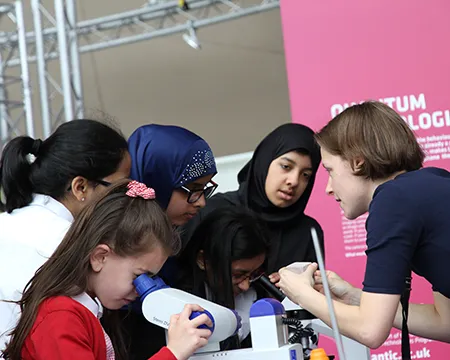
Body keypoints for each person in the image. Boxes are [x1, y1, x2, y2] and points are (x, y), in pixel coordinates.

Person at [277, 100, 450, 350]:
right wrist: (354, 297)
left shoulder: (393, 200)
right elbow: (445, 322)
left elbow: (370, 330)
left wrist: (301, 294)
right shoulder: (431, 183)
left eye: (330, 170)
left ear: (357, 162)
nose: (327, 188)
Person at [1, 179, 212, 360]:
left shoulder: (82, 310)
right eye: (139, 276)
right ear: (100, 257)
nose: (141, 289)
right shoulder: (60, 317)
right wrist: (172, 353)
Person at [0, 119, 131, 349]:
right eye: (119, 189)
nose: (125, 199)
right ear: (80, 187)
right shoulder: (73, 247)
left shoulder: (5, 223)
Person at [122, 124, 218, 359]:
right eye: (193, 189)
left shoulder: (178, 240)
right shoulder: (116, 245)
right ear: (159, 181)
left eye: (205, 189)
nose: (201, 202)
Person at [182, 123, 323, 279]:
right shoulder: (213, 211)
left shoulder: (309, 233)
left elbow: (313, 297)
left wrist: (296, 289)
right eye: (286, 166)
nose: (294, 181)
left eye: (306, 175)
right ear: (264, 161)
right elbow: (180, 276)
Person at [175, 206, 270, 350]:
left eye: (254, 274)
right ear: (203, 260)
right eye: (237, 275)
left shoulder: (258, 295)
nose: (245, 286)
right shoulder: (178, 300)